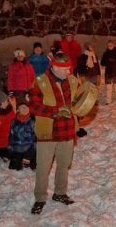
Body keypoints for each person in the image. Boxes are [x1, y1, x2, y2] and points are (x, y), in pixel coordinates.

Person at [29, 52, 80, 215]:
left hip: (67, 129)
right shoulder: (40, 82)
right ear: (55, 67)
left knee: (64, 164)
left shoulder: (72, 80)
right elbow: (34, 106)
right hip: (48, 132)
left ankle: (59, 193)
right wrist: (55, 111)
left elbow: (78, 102)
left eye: (69, 68)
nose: (68, 72)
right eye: (65, 69)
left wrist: (84, 107)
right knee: (43, 167)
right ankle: (40, 198)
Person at [8, 102, 36, 171]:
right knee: (14, 167)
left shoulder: (33, 121)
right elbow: (11, 137)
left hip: (29, 148)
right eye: (22, 107)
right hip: (17, 148)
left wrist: (30, 153)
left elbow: (35, 138)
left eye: (26, 107)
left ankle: (30, 159)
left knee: (33, 166)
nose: (24, 109)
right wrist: (10, 150)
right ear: (17, 110)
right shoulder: (13, 122)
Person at [100, 40, 116, 105]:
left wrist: (115, 62)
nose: (110, 46)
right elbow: (102, 63)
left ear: (113, 45)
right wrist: (108, 61)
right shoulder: (105, 54)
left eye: (111, 45)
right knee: (109, 88)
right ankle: (108, 101)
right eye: (109, 45)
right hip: (109, 72)